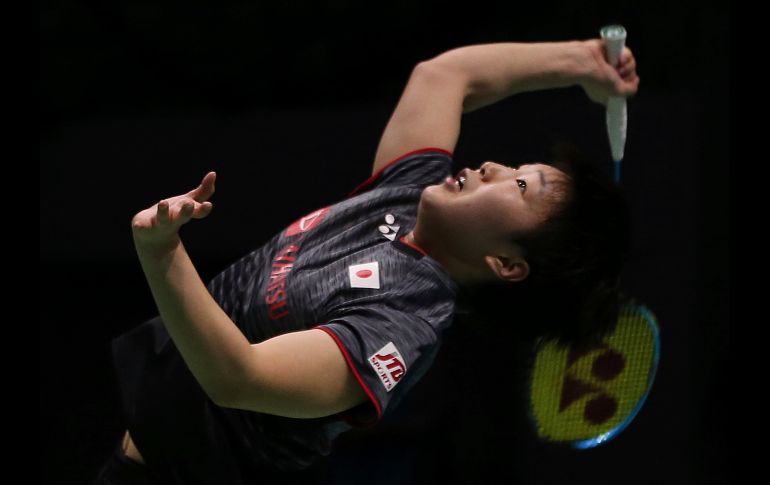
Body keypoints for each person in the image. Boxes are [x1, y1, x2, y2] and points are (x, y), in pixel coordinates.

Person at [94, 37, 639, 484]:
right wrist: (581, 62)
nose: (492, 165)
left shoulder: (401, 325)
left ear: (506, 264)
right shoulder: (409, 193)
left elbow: (240, 377)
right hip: (130, 440)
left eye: (521, 185)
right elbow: (445, 76)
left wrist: (162, 252)